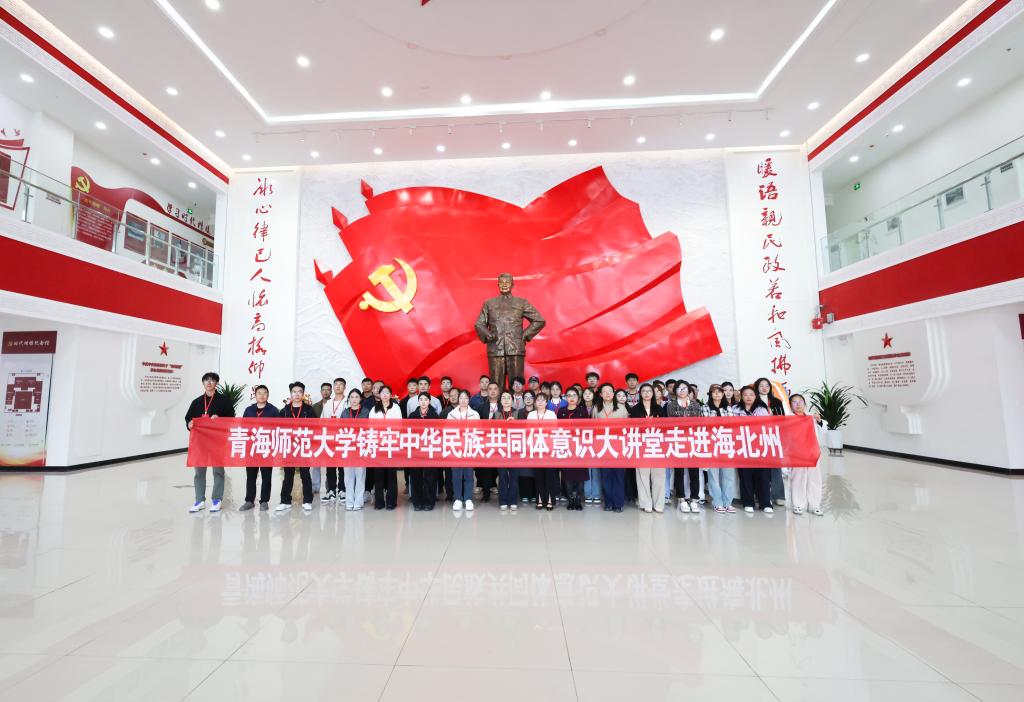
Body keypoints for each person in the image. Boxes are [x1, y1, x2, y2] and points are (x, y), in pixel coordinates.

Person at [474, 272, 546, 391]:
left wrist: (524, 336)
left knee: (517, 385)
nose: (504, 285)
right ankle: (497, 404)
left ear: (513, 285)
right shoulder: (489, 303)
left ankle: (518, 403)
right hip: (495, 349)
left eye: (507, 282)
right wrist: (488, 334)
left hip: (515, 349)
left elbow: (539, 320)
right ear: (498, 285)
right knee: (496, 386)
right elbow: (479, 324)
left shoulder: (521, 303)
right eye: (501, 282)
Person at [185, 371, 235, 513]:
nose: (209, 382)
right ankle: (199, 500)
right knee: (199, 472)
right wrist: (189, 424)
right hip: (200, 443)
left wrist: (219, 419)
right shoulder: (196, 402)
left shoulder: (224, 401)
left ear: (216, 383)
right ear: (203, 383)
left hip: (217, 442)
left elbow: (231, 418)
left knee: (218, 471)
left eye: (212, 380)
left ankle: (216, 499)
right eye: (206, 380)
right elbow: (188, 418)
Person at [277, 381, 318, 512]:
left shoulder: (309, 410)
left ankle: (307, 501)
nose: (297, 394)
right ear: (291, 394)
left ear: (303, 394)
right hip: (289, 446)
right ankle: (285, 501)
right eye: (294, 392)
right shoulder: (284, 411)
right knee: (288, 475)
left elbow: (315, 428)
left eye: (300, 392)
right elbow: (278, 428)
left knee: (305, 474)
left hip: (304, 445)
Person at [666, 382, 704, 513]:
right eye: (679, 388)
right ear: (675, 391)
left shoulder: (695, 405)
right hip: (678, 440)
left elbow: (699, 422)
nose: (681, 391)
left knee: (694, 472)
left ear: (688, 390)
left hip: (693, 440)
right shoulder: (671, 405)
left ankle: (694, 499)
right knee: (679, 472)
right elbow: (671, 423)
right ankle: (681, 499)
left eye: (684, 388)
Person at [239, 384, 277, 512]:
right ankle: (249, 500)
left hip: (266, 448)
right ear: (254, 395)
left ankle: (264, 501)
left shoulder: (273, 410)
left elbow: (278, 428)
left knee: (266, 476)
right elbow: (243, 427)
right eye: (259, 393)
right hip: (252, 448)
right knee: (251, 476)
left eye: (264, 393)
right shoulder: (249, 410)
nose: (262, 395)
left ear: (268, 395)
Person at [735, 385, 773, 513]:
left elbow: (768, 427)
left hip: (760, 446)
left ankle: (765, 503)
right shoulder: (735, 410)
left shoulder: (762, 410)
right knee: (745, 475)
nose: (748, 397)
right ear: (741, 397)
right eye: (745, 394)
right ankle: (748, 502)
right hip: (742, 447)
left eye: (751, 394)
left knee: (763, 476)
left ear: (755, 396)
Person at [629, 383, 665, 513]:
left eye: (649, 391)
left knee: (659, 475)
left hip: (657, 445)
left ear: (653, 393)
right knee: (642, 475)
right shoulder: (634, 409)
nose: (646, 393)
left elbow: (666, 427)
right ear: (640, 394)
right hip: (641, 445)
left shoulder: (660, 409)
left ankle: (658, 503)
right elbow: (632, 428)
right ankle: (646, 503)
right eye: (643, 391)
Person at [593, 383, 628, 512]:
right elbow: (592, 427)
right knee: (606, 476)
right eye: (605, 391)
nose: (607, 393)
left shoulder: (621, 408)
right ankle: (608, 502)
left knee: (618, 476)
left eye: (610, 391)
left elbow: (627, 428)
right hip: (603, 446)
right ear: (601, 394)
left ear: (613, 394)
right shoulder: (596, 409)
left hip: (618, 447)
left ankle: (618, 503)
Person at [789, 393, 825, 516]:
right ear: (790, 405)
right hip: (797, 453)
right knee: (798, 478)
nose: (798, 404)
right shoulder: (789, 418)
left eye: (800, 402)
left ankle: (815, 505)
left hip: (813, 452)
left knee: (815, 478)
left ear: (805, 404)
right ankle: (798, 504)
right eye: (794, 402)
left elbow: (824, 430)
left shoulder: (811, 417)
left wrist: (819, 421)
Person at [704, 384, 737, 514]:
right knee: (713, 475)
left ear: (723, 394)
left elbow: (731, 425)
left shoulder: (728, 408)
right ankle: (717, 502)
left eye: (719, 392)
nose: (717, 394)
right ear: (710, 394)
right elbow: (706, 425)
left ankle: (728, 502)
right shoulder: (705, 407)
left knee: (728, 475)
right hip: (711, 444)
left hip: (726, 443)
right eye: (714, 392)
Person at [368, 385, 402, 510]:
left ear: (391, 395)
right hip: (378, 444)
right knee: (378, 474)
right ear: (379, 395)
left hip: (391, 444)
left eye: (387, 393)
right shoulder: (374, 409)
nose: (385, 395)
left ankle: (391, 501)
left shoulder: (396, 408)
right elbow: (370, 426)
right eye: (383, 393)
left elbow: (399, 425)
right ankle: (379, 502)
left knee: (391, 474)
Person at [756, 376, 788, 507]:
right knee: (760, 467)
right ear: (757, 388)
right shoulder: (754, 401)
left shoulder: (776, 402)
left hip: (774, 436)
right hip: (758, 437)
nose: (764, 388)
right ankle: (760, 494)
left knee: (776, 466)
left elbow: (782, 419)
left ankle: (778, 495)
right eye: (761, 385)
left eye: (767, 385)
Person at [556, 388, 589, 510]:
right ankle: (570, 500)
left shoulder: (583, 411)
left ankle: (578, 500)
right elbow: (558, 428)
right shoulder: (561, 411)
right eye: (569, 395)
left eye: (574, 395)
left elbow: (587, 428)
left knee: (580, 476)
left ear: (578, 398)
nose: (571, 397)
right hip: (566, 446)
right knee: (568, 475)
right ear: (566, 398)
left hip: (579, 447)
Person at [446, 389, 480, 511]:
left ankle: (468, 498)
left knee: (469, 474)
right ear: (458, 399)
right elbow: (448, 431)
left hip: (469, 447)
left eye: (466, 398)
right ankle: (458, 499)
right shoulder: (451, 415)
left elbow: (478, 431)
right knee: (456, 475)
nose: (463, 400)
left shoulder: (475, 414)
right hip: (456, 447)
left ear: (469, 399)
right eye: (461, 398)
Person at [407, 392, 439, 511]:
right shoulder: (412, 416)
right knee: (416, 477)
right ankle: (417, 501)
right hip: (416, 451)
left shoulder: (435, 416)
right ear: (418, 402)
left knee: (430, 477)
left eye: (426, 400)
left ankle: (429, 501)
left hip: (430, 450)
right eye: (421, 400)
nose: (424, 402)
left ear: (429, 402)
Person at [527, 391, 559, 510]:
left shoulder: (551, 414)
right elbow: (528, 432)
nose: (540, 402)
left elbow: (555, 430)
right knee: (538, 475)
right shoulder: (531, 415)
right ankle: (540, 499)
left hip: (548, 448)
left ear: (546, 402)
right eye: (538, 400)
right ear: (535, 403)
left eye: (543, 400)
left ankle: (550, 499)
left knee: (550, 475)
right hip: (536, 448)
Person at [340, 389, 370, 510]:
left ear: (360, 399)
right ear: (349, 399)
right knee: (348, 477)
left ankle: (358, 501)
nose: (354, 400)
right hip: (347, 446)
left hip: (361, 446)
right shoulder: (345, 412)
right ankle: (349, 501)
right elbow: (340, 428)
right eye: (351, 397)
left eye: (356, 397)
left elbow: (369, 428)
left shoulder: (366, 412)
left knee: (360, 475)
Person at [319, 377, 348, 503]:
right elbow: (322, 421)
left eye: (341, 384)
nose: (338, 386)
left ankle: (342, 490)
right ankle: (331, 490)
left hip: (343, 438)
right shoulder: (328, 403)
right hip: (330, 438)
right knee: (330, 466)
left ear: (344, 387)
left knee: (342, 466)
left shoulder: (348, 401)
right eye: (336, 384)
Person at [492, 390, 520, 511]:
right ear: (500, 400)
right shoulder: (496, 414)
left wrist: (515, 424)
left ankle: (513, 500)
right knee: (502, 477)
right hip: (501, 449)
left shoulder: (518, 413)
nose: (506, 400)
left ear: (512, 400)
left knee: (514, 477)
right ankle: (503, 500)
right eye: (504, 398)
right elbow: (491, 430)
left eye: (509, 398)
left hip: (515, 449)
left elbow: (524, 430)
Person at [475, 383, 500, 500]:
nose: (493, 391)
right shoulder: (481, 407)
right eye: (490, 389)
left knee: (496, 464)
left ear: (498, 391)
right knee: (484, 465)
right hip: (485, 439)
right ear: (487, 391)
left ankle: (493, 484)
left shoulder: (503, 405)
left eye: (495, 389)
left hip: (499, 439)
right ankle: (483, 488)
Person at [580, 387, 601, 505]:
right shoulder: (580, 408)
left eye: (590, 393)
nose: (587, 395)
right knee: (586, 469)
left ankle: (596, 494)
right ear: (582, 396)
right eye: (585, 393)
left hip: (596, 441)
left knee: (596, 469)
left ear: (594, 395)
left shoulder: (598, 407)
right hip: (583, 441)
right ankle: (588, 494)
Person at [516, 391, 537, 503]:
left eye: (530, 397)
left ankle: (534, 493)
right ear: (523, 399)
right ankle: (524, 493)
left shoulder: (538, 412)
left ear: (534, 399)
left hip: (536, 443)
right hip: (523, 444)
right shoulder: (519, 412)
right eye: (526, 397)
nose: (528, 399)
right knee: (523, 470)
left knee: (534, 469)